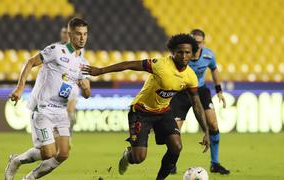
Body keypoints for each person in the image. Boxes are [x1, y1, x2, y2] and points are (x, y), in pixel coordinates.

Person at [82, 34, 210, 180]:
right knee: (139, 158)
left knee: (176, 146)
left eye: (187, 52)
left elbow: (196, 103)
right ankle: (128, 155)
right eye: (180, 52)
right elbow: (129, 64)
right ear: (173, 52)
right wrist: (100, 71)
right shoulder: (160, 65)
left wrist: (205, 130)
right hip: (141, 111)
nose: (183, 55)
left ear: (192, 54)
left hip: (163, 111)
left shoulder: (190, 76)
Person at [4, 17, 91, 180]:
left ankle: (29, 178)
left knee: (63, 153)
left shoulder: (83, 63)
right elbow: (30, 62)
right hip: (43, 107)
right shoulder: (56, 51)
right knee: (48, 152)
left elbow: (87, 95)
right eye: (78, 34)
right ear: (70, 35)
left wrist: (86, 88)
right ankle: (16, 161)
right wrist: (19, 88)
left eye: (85, 34)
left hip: (60, 111)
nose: (82, 38)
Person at [170, 29, 230, 174]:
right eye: (194, 42)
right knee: (174, 131)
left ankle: (215, 163)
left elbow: (214, 70)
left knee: (213, 124)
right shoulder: (183, 56)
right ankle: (171, 164)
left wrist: (219, 91)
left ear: (203, 43)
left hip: (201, 91)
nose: (196, 45)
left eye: (199, 42)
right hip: (182, 93)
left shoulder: (209, 55)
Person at [59, 25, 80, 134]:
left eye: (67, 33)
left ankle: (68, 136)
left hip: (72, 85)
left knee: (70, 113)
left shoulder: (77, 48)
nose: (65, 35)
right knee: (61, 113)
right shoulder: (57, 48)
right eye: (64, 33)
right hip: (59, 84)